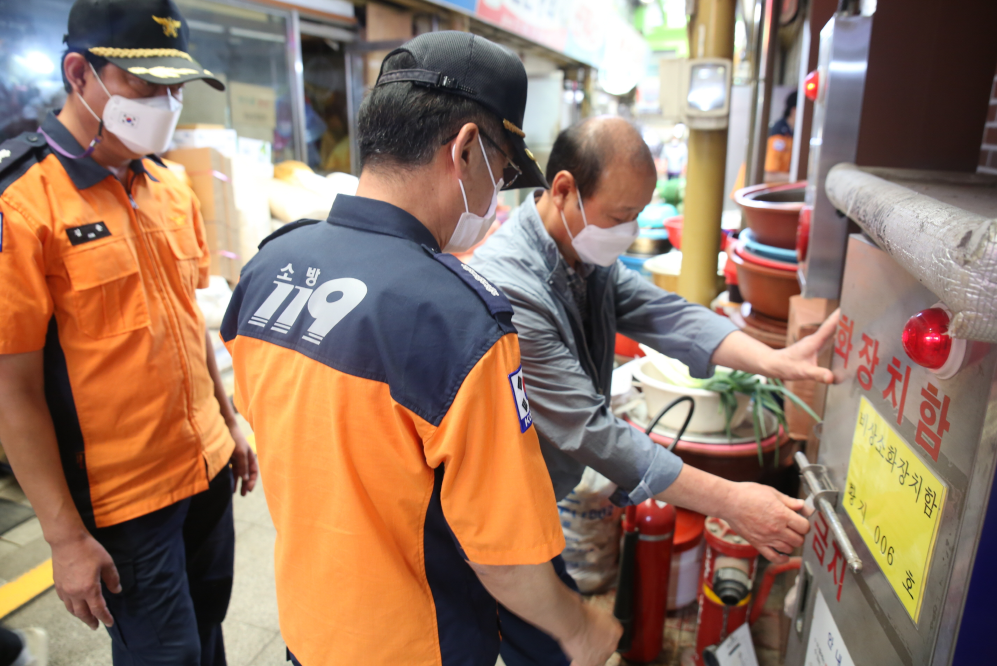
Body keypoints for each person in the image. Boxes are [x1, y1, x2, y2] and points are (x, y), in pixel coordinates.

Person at [220, 32, 621, 666]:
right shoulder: (459, 323)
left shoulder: (269, 268)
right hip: (414, 646)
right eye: (505, 174)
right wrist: (578, 629)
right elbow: (504, 556)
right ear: (465, 150)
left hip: (309, 629)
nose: (497, 202)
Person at [469, 116, 835, 666]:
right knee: (524, 629)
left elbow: (665, 314)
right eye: (620, 216)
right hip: (501, 503)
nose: (629, 229)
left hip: (540, 495)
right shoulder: (512, 287)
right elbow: (592, 431)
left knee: (549, 632)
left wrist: (773, 359)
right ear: (564, 189)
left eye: (638, 214)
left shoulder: (582, 254)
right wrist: (733, 501)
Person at [0, 1, 257, 664]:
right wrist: (62, 537)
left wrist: (226, 422)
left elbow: (187, 322)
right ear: (79, 73)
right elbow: (13, 389)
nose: (168, 103)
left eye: (178, 87)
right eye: (148, 84)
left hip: (204, 472)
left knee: (208, 632)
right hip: (126, 504)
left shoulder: (171, 189)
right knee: (162, 655)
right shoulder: (24, 205)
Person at [765, 91, 798, 181]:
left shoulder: (792, 134)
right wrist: (799, 179)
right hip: (746, 192)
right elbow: (769, 176)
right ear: (794, 111)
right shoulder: (778, 136)